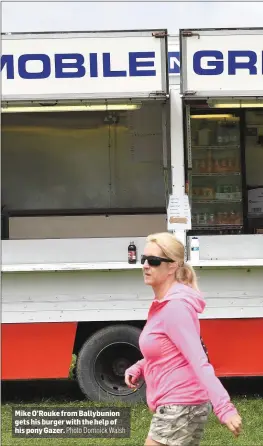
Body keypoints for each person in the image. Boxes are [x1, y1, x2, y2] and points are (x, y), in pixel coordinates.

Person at [125, 232, 242, 446]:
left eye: (153, 261)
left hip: (180, 405)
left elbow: (198, 360)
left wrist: (225, 408)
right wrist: (140, 367)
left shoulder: (175, 308)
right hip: (179, 405)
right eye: (144, 259)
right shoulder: (165, 305)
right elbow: (168, 350)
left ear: (172, 266)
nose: (145, 265)